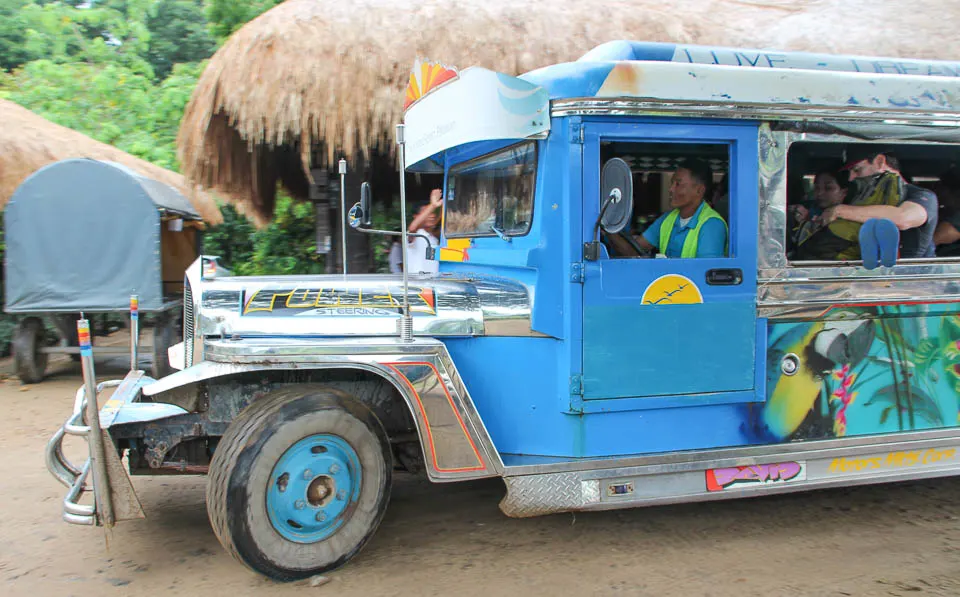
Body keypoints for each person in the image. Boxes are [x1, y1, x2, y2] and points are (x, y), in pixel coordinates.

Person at [820, 146, 938, 258]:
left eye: (857, 170)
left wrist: (840, 210)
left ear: (880, 162)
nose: (851, 178)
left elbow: (903, 218)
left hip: (912, 276)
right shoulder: (861, 200)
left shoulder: (921, 196)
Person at [634, 159, 727, 258]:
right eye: (672, 183)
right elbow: (634, 250)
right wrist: (615, 231)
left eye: (678, 184)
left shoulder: (712, 225)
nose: (671, 189)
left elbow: (705, 270)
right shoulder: (667, 219)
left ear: (699, 190)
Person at [790, 168, 849, 250]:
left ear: (844, 192)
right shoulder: (807, 210)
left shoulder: (849, 221)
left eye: (828, 188)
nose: (820, 193)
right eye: (817, 188)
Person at [406, 188, 443, 274]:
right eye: (427, 213)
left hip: (433, 284)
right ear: (416, 217)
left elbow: (437, 222)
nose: (432, 215)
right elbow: (412, 228)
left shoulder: (433, 237)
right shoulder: (416, 235)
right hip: (419, 284)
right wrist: (433, 205)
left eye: (432, 212)